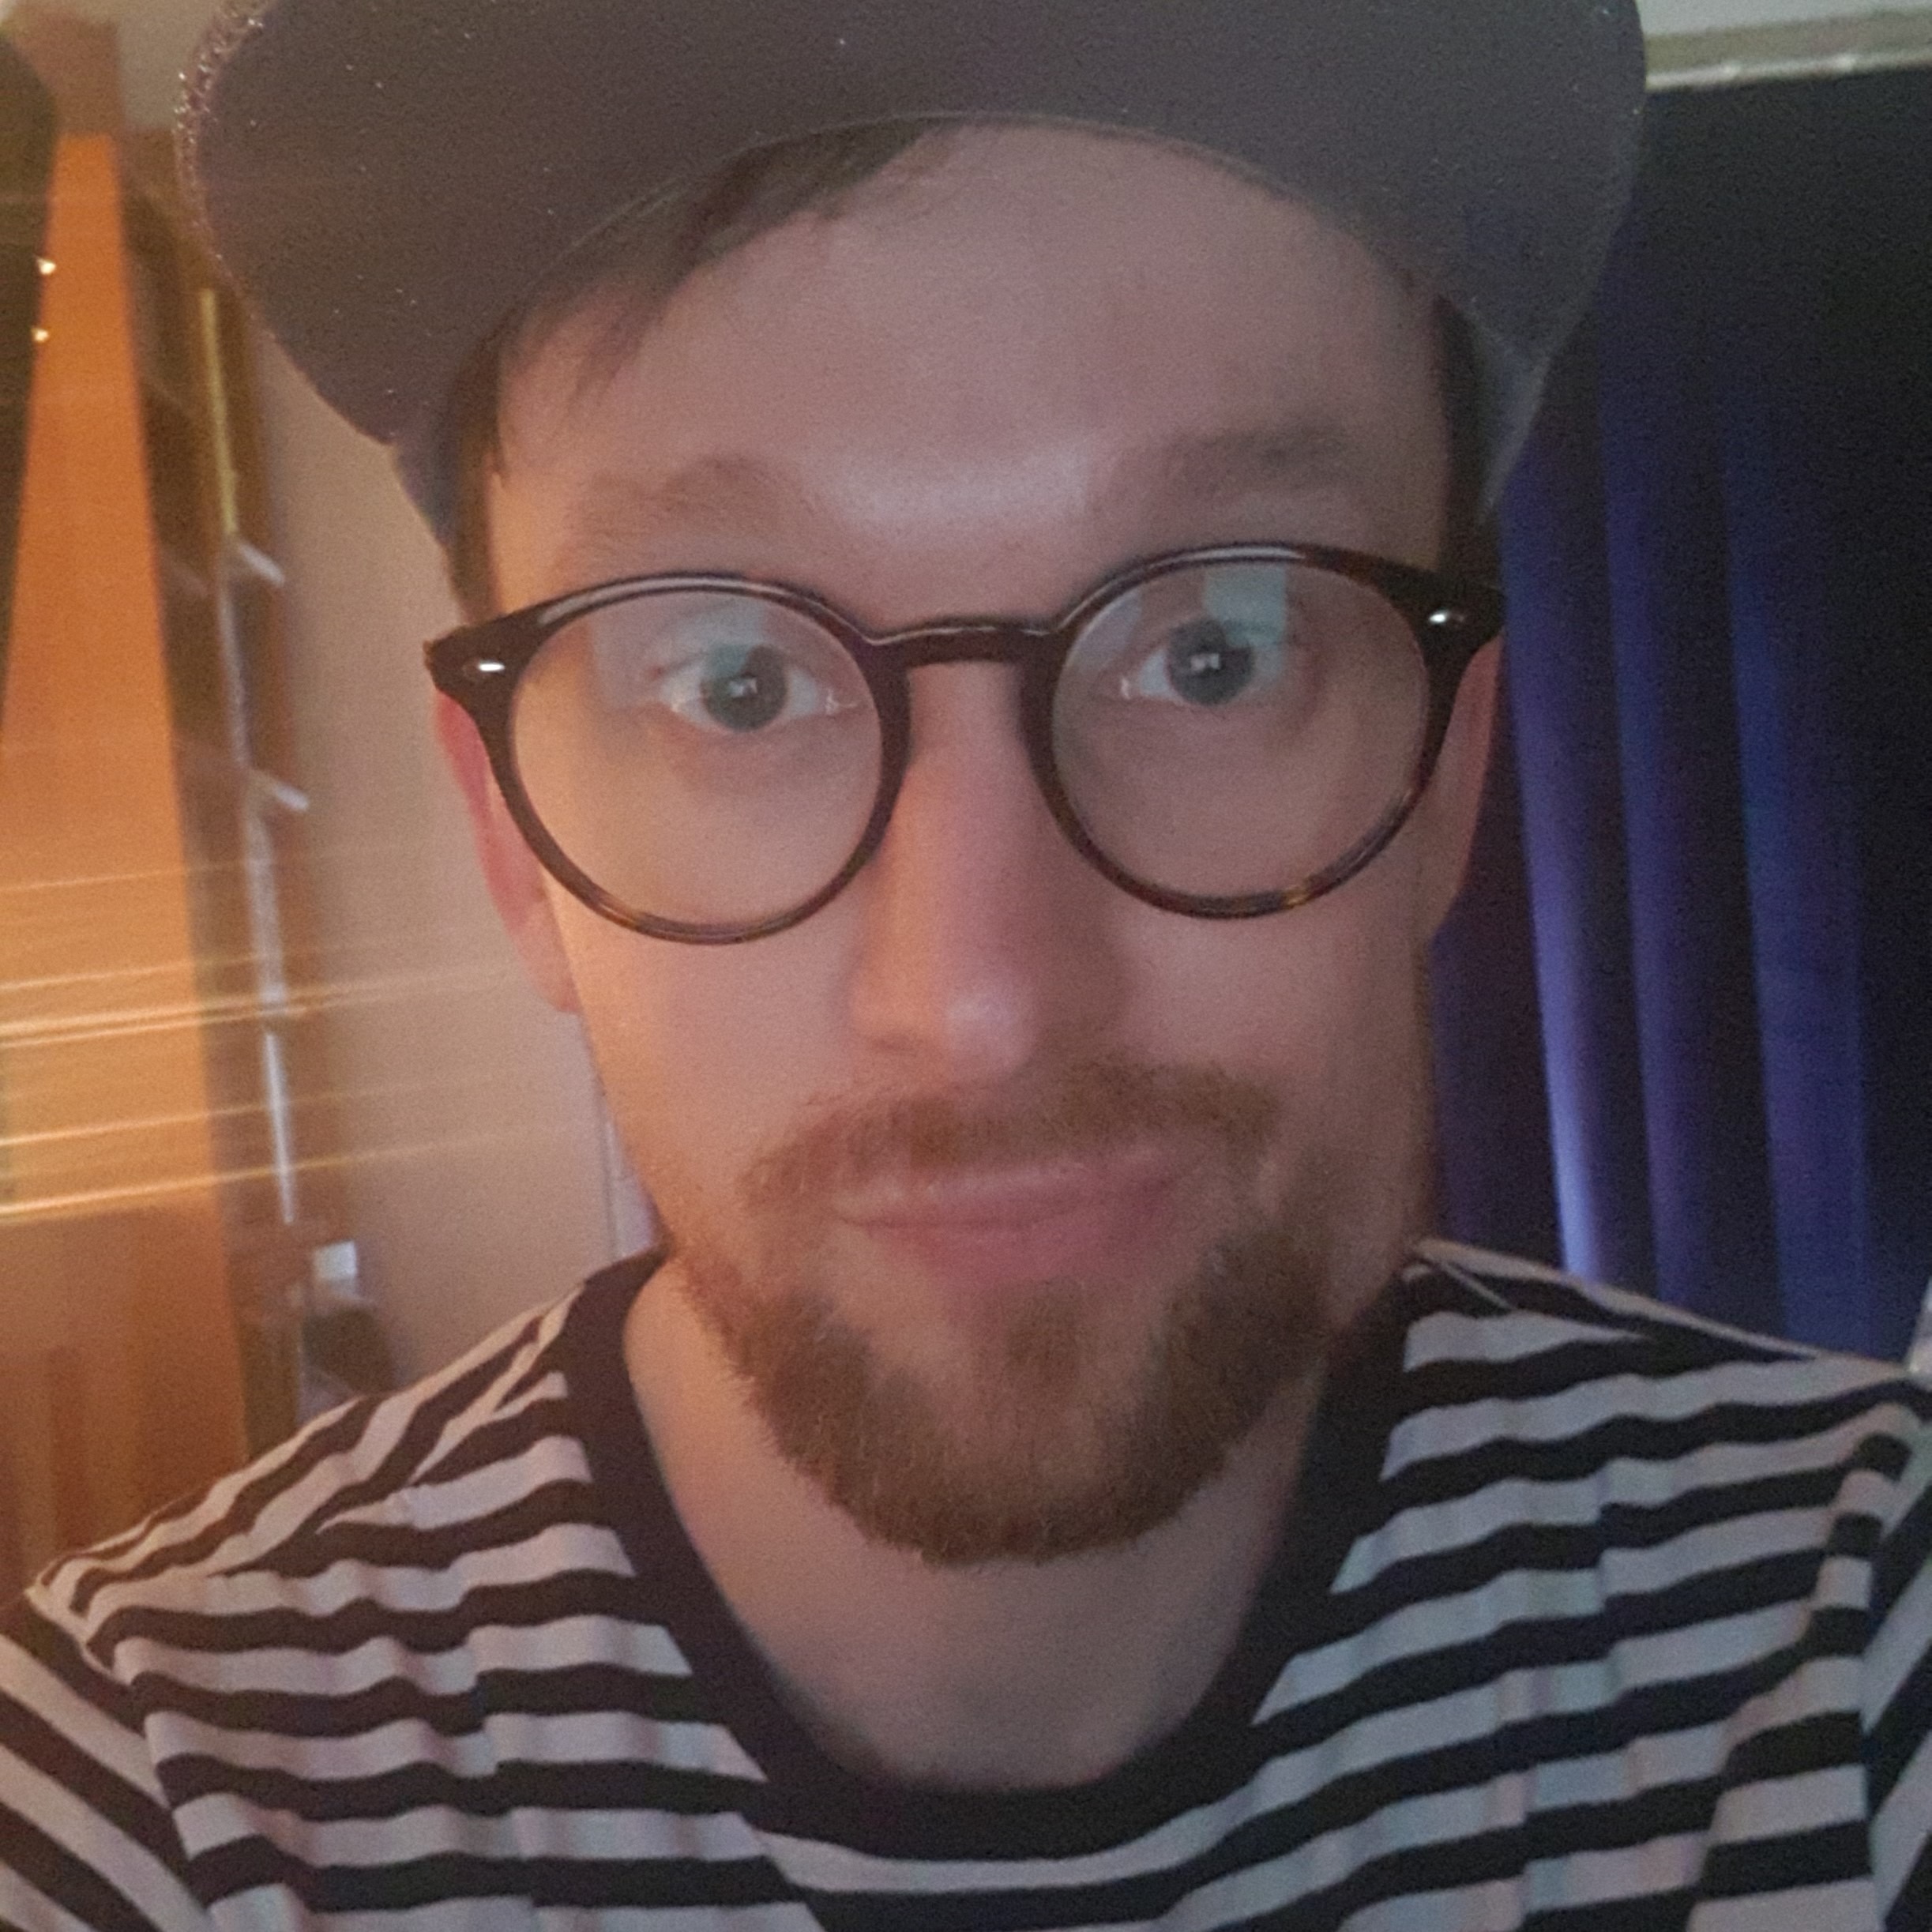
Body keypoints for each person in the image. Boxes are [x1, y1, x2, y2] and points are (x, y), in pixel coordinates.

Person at [4, 0, 1930, 1925]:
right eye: (733, 681)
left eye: (1215, 648)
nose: (983, 1001)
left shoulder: (1854, 1634)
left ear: (1448, 770)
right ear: (513, 839)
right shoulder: (157, 1789)